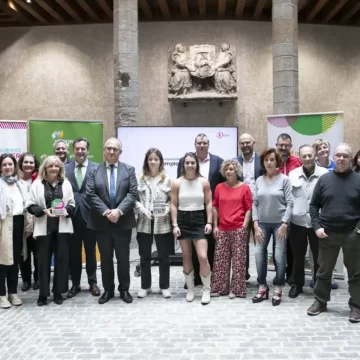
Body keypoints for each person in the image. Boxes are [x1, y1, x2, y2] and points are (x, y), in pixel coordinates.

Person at [308, 144, 360, 323]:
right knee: (323, 271)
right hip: (327, 233)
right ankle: (320, 301)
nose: (341, 159)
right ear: (334, 157)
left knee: (355, 273)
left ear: (351, 158)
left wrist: (358, 229)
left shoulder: (358, 180)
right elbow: (314, 206)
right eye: (338, 155)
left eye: (345, 156)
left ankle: (356, 306)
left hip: (352, 234)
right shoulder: (324, 180)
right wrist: (317, 226)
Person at [86, 138, 137, 305]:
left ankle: (124, 289)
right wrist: (107, 212)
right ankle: (108, 290)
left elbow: (132, 193)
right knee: (106, 258)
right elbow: (91, 194)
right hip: (102, 223)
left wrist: (119, 211)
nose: (111, 151)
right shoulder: (94, 171)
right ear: (104, 150)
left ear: (120, 152)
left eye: (115, 149)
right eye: (108, 148)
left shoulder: (129, 170)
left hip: (123, 222)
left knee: (123, 258)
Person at [26, 155, 75, 306]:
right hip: (43, 227)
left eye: (56, 166)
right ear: (45, 168)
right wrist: (42, 211)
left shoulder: (66, 183)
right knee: (43, 261)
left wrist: (67, 210)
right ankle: (43, 294)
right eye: (50, 166)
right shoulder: (37, 184)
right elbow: (29, 204)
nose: (54, 168)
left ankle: (58, 292)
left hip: (62, 228)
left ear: (60, 168)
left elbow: (72, 204)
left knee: (61, 260)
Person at [177, 133, 223, 286]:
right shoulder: (185, 161)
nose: (202, 145)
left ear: (208, 144)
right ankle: (193, 278)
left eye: (205, 143)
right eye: (199, 143)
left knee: (208, 248)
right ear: (195, 144)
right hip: (188, 210)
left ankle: (209, 281)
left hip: (210, 209)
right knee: (189, 248)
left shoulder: (218, 161)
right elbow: (181, 184)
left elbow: (221, 187)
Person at [252, 148, 294, 306]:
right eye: (266, 160)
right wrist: (255, 224)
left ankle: (278, 287)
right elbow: (254, 203)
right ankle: (262, 287)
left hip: (279, 224)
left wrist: (284, 223)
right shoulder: (259, 180)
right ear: (263, 162)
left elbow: (290, 203)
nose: (269, 162)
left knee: (279, 256)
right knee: (258, 254)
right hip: (262, 223)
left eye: (272, 159)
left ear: (277, 161)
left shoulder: (285, 180)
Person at [171, 152, 213, 305]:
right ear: (183, 164)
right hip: (182, 219)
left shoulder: (204, 182)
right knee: (186, 256)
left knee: (202, 256)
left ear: (197, 164)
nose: (190, 165)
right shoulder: (177, 183)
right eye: (187, 163)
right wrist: (175, 225)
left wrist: (209, 222)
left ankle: (206, 289)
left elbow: (209, 203)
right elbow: (173, 204)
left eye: (192, 163)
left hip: (199, 219)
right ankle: (190, 289)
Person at [288, 145, 327, 298]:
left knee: (318, 257)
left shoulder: (324, 174)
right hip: (297, 222)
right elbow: (288, 198)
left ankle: (318, 285)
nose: (308, 158)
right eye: (304, 156)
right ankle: (297, 285)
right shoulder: (292, 174)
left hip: (317, 223)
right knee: (298, 256)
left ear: (315, 155)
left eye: (310, 155)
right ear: (300, 156)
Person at [64, 137, 100, 298]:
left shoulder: (97, 168)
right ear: (73, 151)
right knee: (74, 253)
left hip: (91, 216)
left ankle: (93, 283)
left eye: (83, 149)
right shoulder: (65, 168)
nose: (80, 151)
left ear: (87, 151)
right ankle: (75, 284)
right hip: (70, 216)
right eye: (77, 148)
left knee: (91, 251)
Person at [211, 159, 252, 299]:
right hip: (222, 228)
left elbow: (248, 209)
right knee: (220, 260)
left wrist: (244, 226)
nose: (229, 171)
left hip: (238, 228)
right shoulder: (219, 187)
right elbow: (215, 207)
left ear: (237, 171)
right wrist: (215, 225)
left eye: (231, 169)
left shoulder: (245, 188)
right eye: (226, 169)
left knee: (239, 261)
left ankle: (236, 289)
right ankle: (220, 288)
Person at [135, 148, 172, 299]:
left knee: (164, 256)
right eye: (150, 159)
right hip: (144, 221)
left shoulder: (168, 179)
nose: (153, 162)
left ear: (161, 161)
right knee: (144, 256)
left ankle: (165, 286)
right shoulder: (139, 178)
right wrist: (142, 209)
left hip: (162, 222)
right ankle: (145, 286)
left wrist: (166, 210)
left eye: (156, 159)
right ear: (146, 161)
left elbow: (171, 200)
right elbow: (134, 199)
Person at [0, 154, 28, 309]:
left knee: (15, 261)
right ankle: (2, 295)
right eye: (4, 164)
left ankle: (13, 292)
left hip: (19, 223)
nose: (8, 167)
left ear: (15, 166)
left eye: (10, 164)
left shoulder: (21, 184)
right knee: (2, 262)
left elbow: (26, 204)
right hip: (3, 224)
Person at [236, 133, 264, 280]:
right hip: (241, 207)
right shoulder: (235, 162)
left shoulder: (262, 160)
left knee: (260, 241)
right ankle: (243, 273)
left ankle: (261, 274)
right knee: (242, 241)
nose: (245, 145)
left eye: (248, 142)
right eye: (242, 143)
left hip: (259, 206)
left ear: (253, 142)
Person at [312, 139, 338, 290]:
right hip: (316, 211)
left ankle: (331, 277)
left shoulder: (336, 165)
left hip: (331, 211)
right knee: (315, 248)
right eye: (319, 148)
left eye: (325, 147)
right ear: (315, 153)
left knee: (331, 247)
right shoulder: (313, 167)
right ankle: (316, 276)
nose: (323, 150)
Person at [276, 133, 301, 284]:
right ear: (276, 145)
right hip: (277, 207)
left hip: (294, 207)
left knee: (292, 243)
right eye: (281, 145)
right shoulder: (272, 161)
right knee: (278, 243)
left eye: (286, 145)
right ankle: (279, 273)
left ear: (291, 147)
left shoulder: (298, 162)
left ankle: (291, 273)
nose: (283, 148)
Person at [18, 152, 40, 292]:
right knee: (24, 254)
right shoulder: (15, 182)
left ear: (35, 165)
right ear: (21, 164)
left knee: (38, 253)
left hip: (38, 223)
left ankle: (38, 279)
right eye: (26, 162)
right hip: (21, 223)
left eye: (31, 162)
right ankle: (26, 280)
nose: (28, 165)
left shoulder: (39, 181)